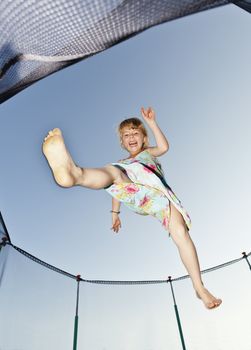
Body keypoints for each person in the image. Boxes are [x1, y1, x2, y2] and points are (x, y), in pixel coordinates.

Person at [42, 107, 222, 309]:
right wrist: (115, 214)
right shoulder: (122, 163)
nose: (131, 137)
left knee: (180, 232)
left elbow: (163, 147)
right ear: (122, 142)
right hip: (137, 194)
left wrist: (152, 123)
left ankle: (199, 288)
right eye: (126, 135)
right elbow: (117, 191)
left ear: (144, 138)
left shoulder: (148, 152)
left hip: (159, 196)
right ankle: (74, 175)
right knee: (112, 173)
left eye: (135, 132)